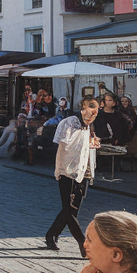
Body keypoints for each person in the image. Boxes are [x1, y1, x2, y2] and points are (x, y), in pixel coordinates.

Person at [47, 96, 99, 254]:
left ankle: (51, 235)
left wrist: (93, 142)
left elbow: (86, 146)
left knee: (72, 209)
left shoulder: (88, 126)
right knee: (68, 209)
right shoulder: (69, 122)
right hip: (67, 170)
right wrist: (59, 169)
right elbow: (62, 146)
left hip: (84, 170)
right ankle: (83, 243)